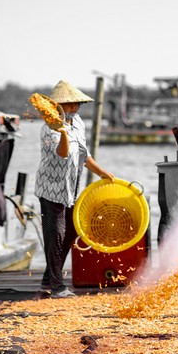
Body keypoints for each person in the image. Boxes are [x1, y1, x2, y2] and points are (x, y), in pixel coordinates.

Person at [35, 80, 115, 297]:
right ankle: (57, 286)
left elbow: (82, 154)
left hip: (70, 188)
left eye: (76, 103)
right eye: (68, 104)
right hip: (50, 188)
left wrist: (102, 172)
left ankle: (48, 279)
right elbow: (62, 154)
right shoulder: (48, 128)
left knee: (70, 231)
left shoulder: (78, 122)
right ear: (56, 106)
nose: (74, 107)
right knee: (55, 235)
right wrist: (62, 133)